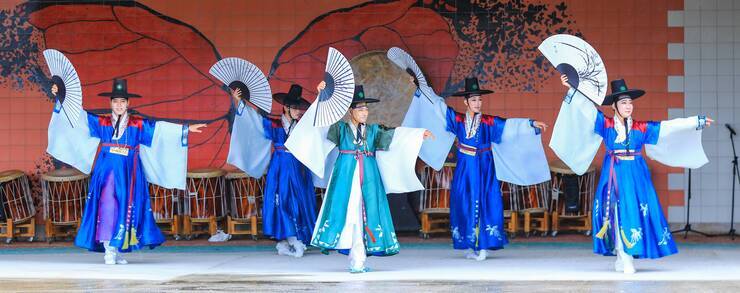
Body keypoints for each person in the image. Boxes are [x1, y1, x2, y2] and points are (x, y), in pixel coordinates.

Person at [554, 75, 713, 273]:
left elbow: (668, 127)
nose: (628, 106)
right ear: (614, 106)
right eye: (623, 102)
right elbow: (585, 109)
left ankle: (625, 254)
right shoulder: (606, 125)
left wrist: (694, 122)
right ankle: (624, 253)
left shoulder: (641, 127)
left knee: (638, 211)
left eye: (630, 102)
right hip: (615, 173)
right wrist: (572, 88)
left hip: (637, 175)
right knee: (616, 213)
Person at [49, 78, 206, 264]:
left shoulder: (137, 124)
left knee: (127, 206)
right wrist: (60, 98)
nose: (119, 105)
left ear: (128, 104)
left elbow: (160, 130)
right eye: (115, 101)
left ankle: (118, 248)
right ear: (110, 103)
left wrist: (185, 129)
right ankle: (108, 248)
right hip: (107, 170)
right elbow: (78, 117)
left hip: (129, 172)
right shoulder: (102, 122)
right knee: (108, 206)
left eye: (122, 102)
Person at [403, 76, 549, 261]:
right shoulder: (457, 119)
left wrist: (531, 123)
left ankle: (484, 246)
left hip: (484, 166)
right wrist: (421, 88)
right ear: (465, 102)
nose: (478, 103)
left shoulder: (488, 121)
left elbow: (509, 126)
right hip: (464, 166)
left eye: (479, 99)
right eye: (473, 100)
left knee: (485, 200)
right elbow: (437, 106)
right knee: (462, 200)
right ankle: (469, 244)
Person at [229, 84, 317, 257]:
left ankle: (297, 238)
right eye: (295, 108)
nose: (299, 111)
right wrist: (239, 102)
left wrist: (321, 97)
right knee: (282, 200)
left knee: (300, 201)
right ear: (286, 107)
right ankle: (286, 239)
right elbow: (253, 119)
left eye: (299, 108)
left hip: (299, 168)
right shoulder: (274, 125)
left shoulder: (302, 125)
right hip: (280, 168)